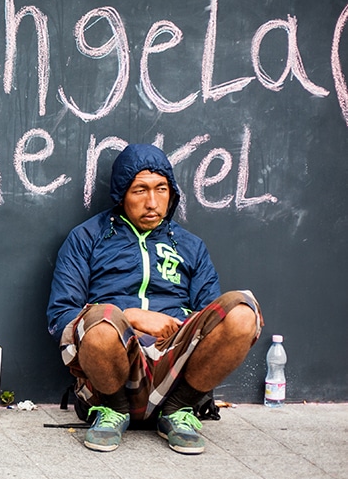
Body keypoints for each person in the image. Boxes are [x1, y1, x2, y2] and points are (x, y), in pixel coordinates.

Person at [47, 143, 262, 455]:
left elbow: (213, 322)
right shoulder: (86, 238)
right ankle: (112, 411)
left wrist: (183, 325)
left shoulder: (190, 246)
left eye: (161, 189)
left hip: (174, 364)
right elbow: (60, 316)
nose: (152, 202)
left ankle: (179, 410)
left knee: (241, 313)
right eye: (139, 191)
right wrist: (130, 316)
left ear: (171, 193)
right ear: (122, 195)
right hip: (114, 365)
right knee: (102, 322)